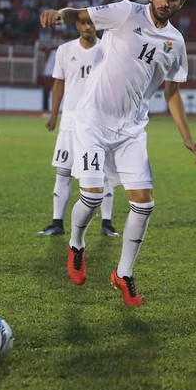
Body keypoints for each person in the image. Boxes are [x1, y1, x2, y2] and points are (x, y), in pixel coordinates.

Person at [40, 0, 196, 307]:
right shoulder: (126, 12)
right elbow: (81, 14)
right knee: (91, 196)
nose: (164, 2)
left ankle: (124, 274)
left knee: (144, 204)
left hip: (131, 130)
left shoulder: (175, 43)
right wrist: (60, 14)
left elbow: (172, 93)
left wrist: (187, 137)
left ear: (181, 2)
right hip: (93, 122)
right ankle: (76, 245)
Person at [38, 19, 119, 238]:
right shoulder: (64, 50)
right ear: (77, 26)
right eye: (84, 23)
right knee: (63, 172)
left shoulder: (108, 49)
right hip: (71, 121)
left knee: (103, 174)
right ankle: (57, 223)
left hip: (100, 121)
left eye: (92, 24)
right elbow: (59, 84)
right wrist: (54, 114)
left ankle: (107, 223)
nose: (88, 27)